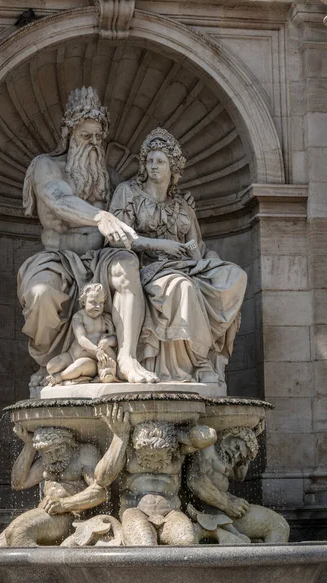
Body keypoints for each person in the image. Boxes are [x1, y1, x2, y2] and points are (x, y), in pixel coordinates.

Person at [18, 87, 158, 389]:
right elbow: (59, 200)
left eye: (98, 137)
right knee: (40, 293)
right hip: (59, 256)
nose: (93, 144)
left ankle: (127, 357)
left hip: (101, 258)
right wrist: (101, 216)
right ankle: (48, 363)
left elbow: (137, 213)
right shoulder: (47, 166)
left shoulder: (109, 176)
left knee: (127, 266)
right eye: (85, 136)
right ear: (69, 134)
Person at [109, 128, 247, 382]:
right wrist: (161, 245)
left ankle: (201, 359)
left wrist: (206, 262)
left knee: (234, 275)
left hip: (185, 265)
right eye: (149, 161)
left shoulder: (182, 206)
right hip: (147, 268)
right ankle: (196, 363)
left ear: (172, 167)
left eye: (160, 161)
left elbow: (197, 247)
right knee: (181, 287)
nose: (153, 166)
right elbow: (118, 237)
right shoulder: (128, 193)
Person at [0, 405, 131, 547]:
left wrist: (64, 504)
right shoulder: (48, 460)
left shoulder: (83, 454)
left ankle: (44, 568)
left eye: (59, 450)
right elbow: (18, 482)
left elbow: (101, 492)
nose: (54, 456)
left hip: (68, 515)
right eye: (48, 452)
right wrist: (29, 445)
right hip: (44, 513)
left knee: (18, 533)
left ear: (69, 443)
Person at [117, 420, 217, 545]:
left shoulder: (176, 451)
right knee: (144, 544)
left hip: (171, 513)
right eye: (149, 455)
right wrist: (120, 436)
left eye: (160, 456)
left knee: (187, 540)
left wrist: (174, 435)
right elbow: (102, 478)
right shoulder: (128, 450)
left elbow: (210, 436)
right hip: (135, 511)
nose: (154, 459)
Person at [186, 426, 290, 543]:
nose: (235, 456)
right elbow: (195, 480)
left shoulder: (227, 459)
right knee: (278, 525)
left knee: (280, 525)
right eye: (236, 447)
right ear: (228, 435)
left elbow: (240, 476)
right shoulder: (208, 449)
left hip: (226, 510)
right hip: (214, 511)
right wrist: (227, 504)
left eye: (240, 456)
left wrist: (251, 439)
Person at [46, 283, 117, 385]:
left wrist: (108, 341)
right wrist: (96, 350)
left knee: (80, 365)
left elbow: (115, 340)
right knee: (51, 367)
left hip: (92, 360)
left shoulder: (105, 318)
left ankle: (59, 377)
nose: (98, 306)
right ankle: (74, 375)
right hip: (72, 355)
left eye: (101, 303)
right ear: (83, 301)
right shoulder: (79, 317)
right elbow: (81, 338)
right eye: (93, 302)